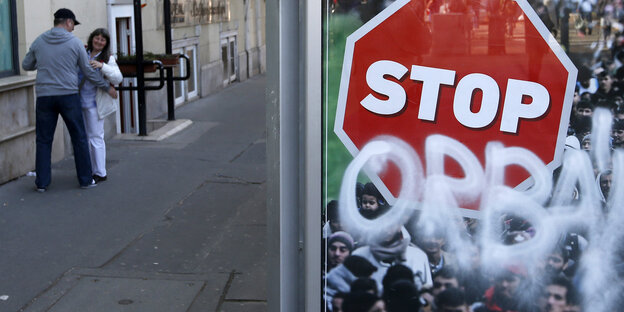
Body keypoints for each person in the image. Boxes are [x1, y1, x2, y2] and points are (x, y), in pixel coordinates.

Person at [22, 8, 117, 192]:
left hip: (44, 96)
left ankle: (42, 183)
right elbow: (88, 72)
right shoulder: (74, 43)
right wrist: (106, 87)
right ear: (68, 22)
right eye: (73, 25)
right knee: (79, 137)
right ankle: (85, 180)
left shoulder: (39, 41)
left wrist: (42, 60)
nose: (73, 29)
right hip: (68, 95)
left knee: (43, 140)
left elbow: (26, 64)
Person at [80, 28, 123, 183]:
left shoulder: (107, 59)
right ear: (92, 39)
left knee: (96, 137)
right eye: (97, 38)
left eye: (102, 40)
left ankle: (100, 172)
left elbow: (118, 78)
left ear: (106, 44)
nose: (99, 41)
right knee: (84, 137)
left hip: (94, 103)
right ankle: (89, 169)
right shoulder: (83, 52)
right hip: (79, 101)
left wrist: (102, 66)